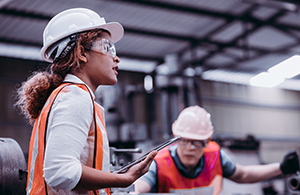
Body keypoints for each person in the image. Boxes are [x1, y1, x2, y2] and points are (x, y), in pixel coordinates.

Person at [15, 8, 157, 195]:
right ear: (82, 52)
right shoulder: (75, 96)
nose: (116, 58)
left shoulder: (68, 95)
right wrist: (124, 179)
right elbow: (60, 172)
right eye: (108, 47)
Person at [134, 105, 300, 195]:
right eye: (184, 141)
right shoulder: (159, 162)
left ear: (206, 142)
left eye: (196, 142)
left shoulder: (216, 157)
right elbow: (139, 187)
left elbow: (243, 174)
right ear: (176, 139)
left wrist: (282, 167)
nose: (189, 147)